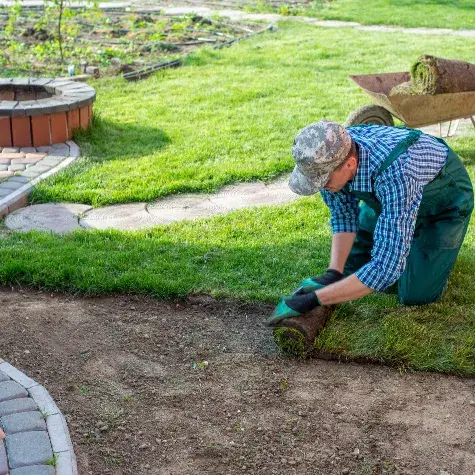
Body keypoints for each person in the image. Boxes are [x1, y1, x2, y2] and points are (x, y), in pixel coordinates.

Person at [268, 120, 474, 326]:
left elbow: (385, 268)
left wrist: (314, 299)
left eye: (324, 181)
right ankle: (403, 237)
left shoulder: (398, 172)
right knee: (350, 270)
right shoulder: (331, 151)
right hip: (390, 202)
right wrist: (334, 273)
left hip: (443, 206)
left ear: (349, 165)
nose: (322, 187)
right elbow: (343, 214)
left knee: (415, 295)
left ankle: (426, 247)